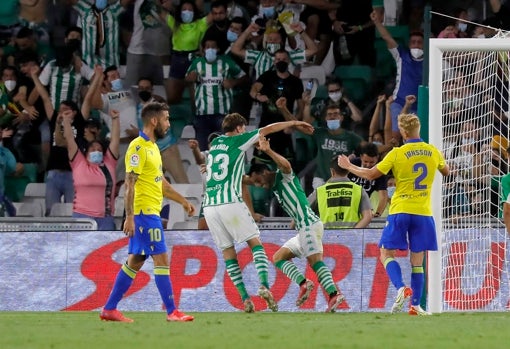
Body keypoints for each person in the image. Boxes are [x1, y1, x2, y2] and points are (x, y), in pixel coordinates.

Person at [338, 113, 450, 316]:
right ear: (419, 128)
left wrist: (349, 166)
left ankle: (400, 288)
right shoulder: (433, 151)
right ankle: (415, 306)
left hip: (400, 210)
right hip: (423, 212)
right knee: (418, 261)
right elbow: (447, 171)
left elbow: (371, 174)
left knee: (385, 253)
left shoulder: (397, 153)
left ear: (404, 132)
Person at [203, 112, 313, 312]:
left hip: (209, 206)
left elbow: (227, 173)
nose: (245, 132)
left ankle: (245, 299)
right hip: (229, 202)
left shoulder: (214, 145)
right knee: (255, 244)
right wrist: (295, 122)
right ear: (238, 129)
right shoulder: (239, 138)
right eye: (243, 128)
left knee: (228, 253)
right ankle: (264, 285)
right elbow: (269, 128)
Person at [100, 102, 196, 322]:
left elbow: (161, 184)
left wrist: (183, 201)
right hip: (143, 213)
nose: (168, 124)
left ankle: (109, 309)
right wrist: (130, 217)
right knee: (161, 259)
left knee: (136, 261)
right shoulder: (138, 147)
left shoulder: (153, 148)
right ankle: (172, 311)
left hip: (150, 211)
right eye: (166, 119)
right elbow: (130, 184)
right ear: (154, 121)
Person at [248, 134, 345, 312]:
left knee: (315, 262)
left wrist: (268, 150)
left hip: (308, 224)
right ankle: (303, 283)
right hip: (304, 227)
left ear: (264, 172)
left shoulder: (282, 177)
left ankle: (334, 295)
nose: (259, 186)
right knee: (278, 257)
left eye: (258, 180)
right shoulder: (275, 186)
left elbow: (286, 165)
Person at [64, 104, 119, 230]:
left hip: (106, 218)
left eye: (99, 149)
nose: (96, 151)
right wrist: (66, 121)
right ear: (86, 153)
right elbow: (70, 141)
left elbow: (115, 141)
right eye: (93, 149)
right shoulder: (78, 163)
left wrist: (115, 120)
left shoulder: (109, 163)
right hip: (81, 217)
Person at [310, 155, 372, 228]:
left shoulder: (319, 191)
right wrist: (354, 233)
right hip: (351, 238)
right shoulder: (359, 190)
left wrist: (292, 230)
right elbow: (368, 217)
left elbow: (303, 210)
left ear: (332, 171)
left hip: (326, 237)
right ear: (348, 170)